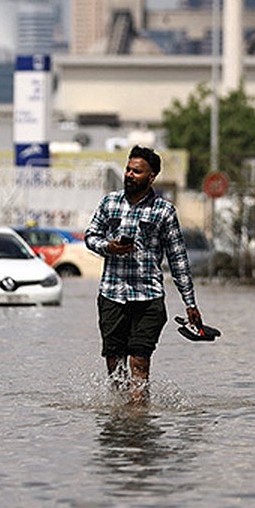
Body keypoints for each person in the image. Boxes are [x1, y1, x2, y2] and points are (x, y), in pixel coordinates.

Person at [84, 146, 204, 403]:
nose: (129, 175)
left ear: (151, 177)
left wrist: (189, 302)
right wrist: (109, 247)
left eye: (136, 172)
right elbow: (90, 236)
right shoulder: (109, 203)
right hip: (112, 295)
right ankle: (119, 420)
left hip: (148, 298)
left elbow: (177, 259)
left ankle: (138, 422)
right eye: (128, 169)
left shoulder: (164, 212)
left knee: (140, 361)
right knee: (115, 365)